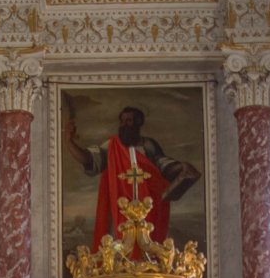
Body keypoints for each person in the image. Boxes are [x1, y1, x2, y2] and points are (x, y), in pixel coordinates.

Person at [66, 103, 201, 243]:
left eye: (129, 120)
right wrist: (69, 142)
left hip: (147, 207)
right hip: (120, 207)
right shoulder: (112, 146)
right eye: (122, 121)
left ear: (138, 122)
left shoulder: (148, 145)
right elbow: (89, 159)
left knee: (148, 244)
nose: (124, 124)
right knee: (119, 245)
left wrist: (180, 167)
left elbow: (163, 166)